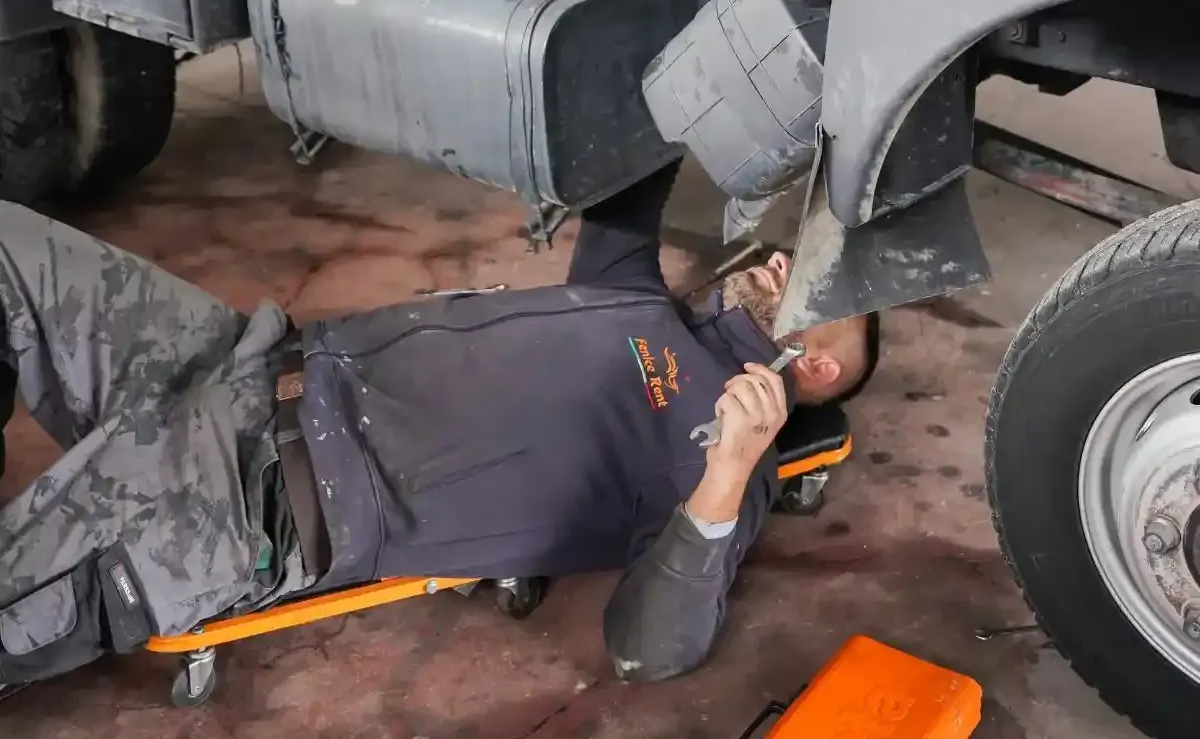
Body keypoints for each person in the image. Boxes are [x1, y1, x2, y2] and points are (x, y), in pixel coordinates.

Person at [0, 162, 876, 692]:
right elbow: (629, 181)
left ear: (820, 367)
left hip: (240, 501)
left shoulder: (729, 463)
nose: (784, 262)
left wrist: (725, 477)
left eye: (818, 294)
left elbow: (648, 651)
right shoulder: (643, 303)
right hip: (238, 361)